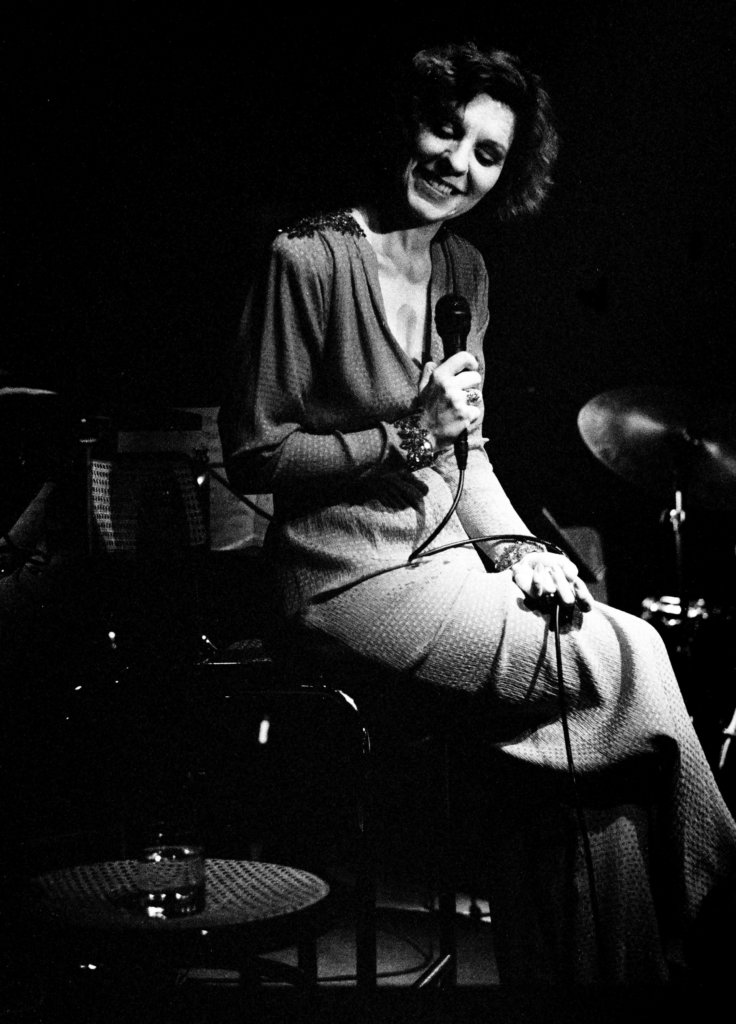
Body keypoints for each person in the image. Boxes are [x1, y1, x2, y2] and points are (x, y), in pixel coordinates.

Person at [218, 41, 736, 984]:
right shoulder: (308, 259)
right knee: (630, 655)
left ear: (507, 176)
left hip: (448, 565)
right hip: (345, 580)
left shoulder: (468, 273)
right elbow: (255, 454)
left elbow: (471, 454)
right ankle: (721, 896)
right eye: (446, 130)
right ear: (406, 124)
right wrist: (404, 436)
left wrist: (519, 549)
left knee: (596, 782)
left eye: (488, 154)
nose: (458, 164)